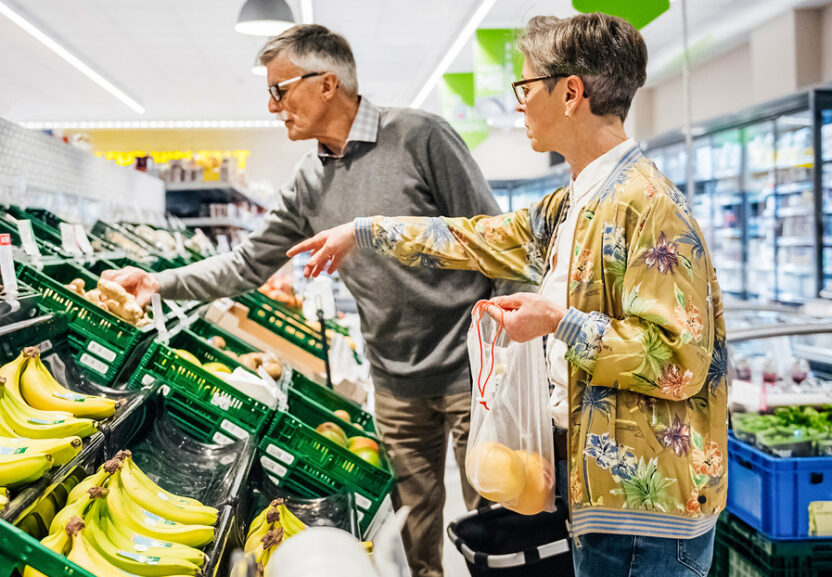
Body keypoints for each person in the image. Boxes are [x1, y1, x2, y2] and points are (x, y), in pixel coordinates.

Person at [287, 13, 728, 577]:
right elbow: (476, 235)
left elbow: (677, 360)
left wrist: (559, 322)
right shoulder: (574, 203)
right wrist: (365, 231)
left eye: (525, 87)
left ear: (571, 93)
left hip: (647, 515)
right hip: (605, 497)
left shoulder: (648, 205)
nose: (517, 104)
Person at [104, 24, 513, 577]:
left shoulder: (421, 136)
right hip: (394, 381)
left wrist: (509, 352)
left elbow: (498, 239)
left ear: (326, 84)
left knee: (495, 519)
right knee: (414, 530)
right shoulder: (308, 182)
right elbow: (247, 264)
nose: (272, 106)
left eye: (279, 89)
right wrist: (161, 283)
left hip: (473, 369)